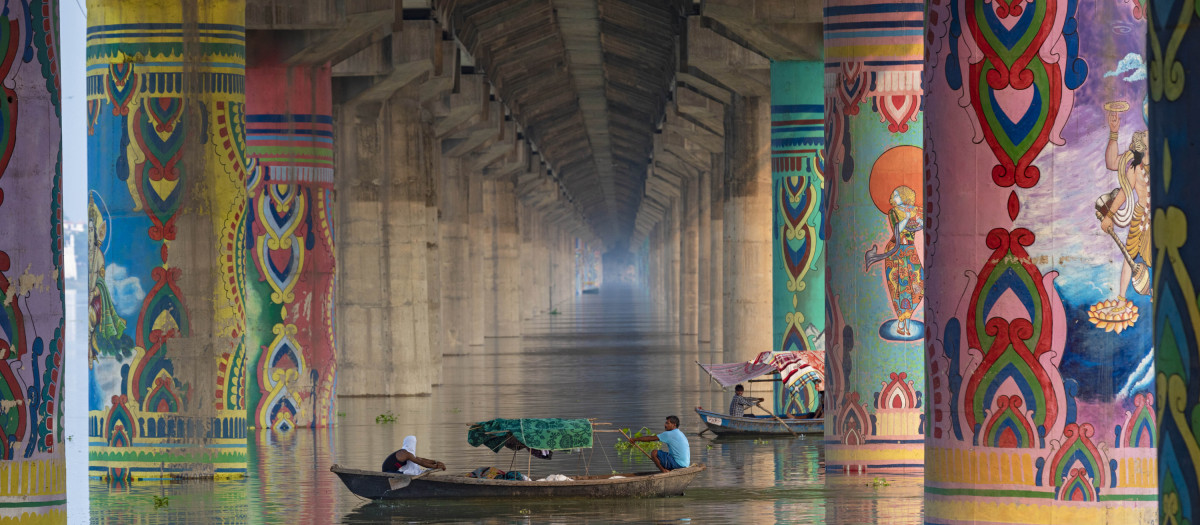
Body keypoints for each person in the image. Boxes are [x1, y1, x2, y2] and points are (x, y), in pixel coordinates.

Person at [381, 436, 446, 474]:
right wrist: (436, 467)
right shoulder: (405, 453)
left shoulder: (407, 453)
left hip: (393, 471)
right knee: (406, 474)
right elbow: (420, 462)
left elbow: (421, 459)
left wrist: (435, 462)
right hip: (388, 472)